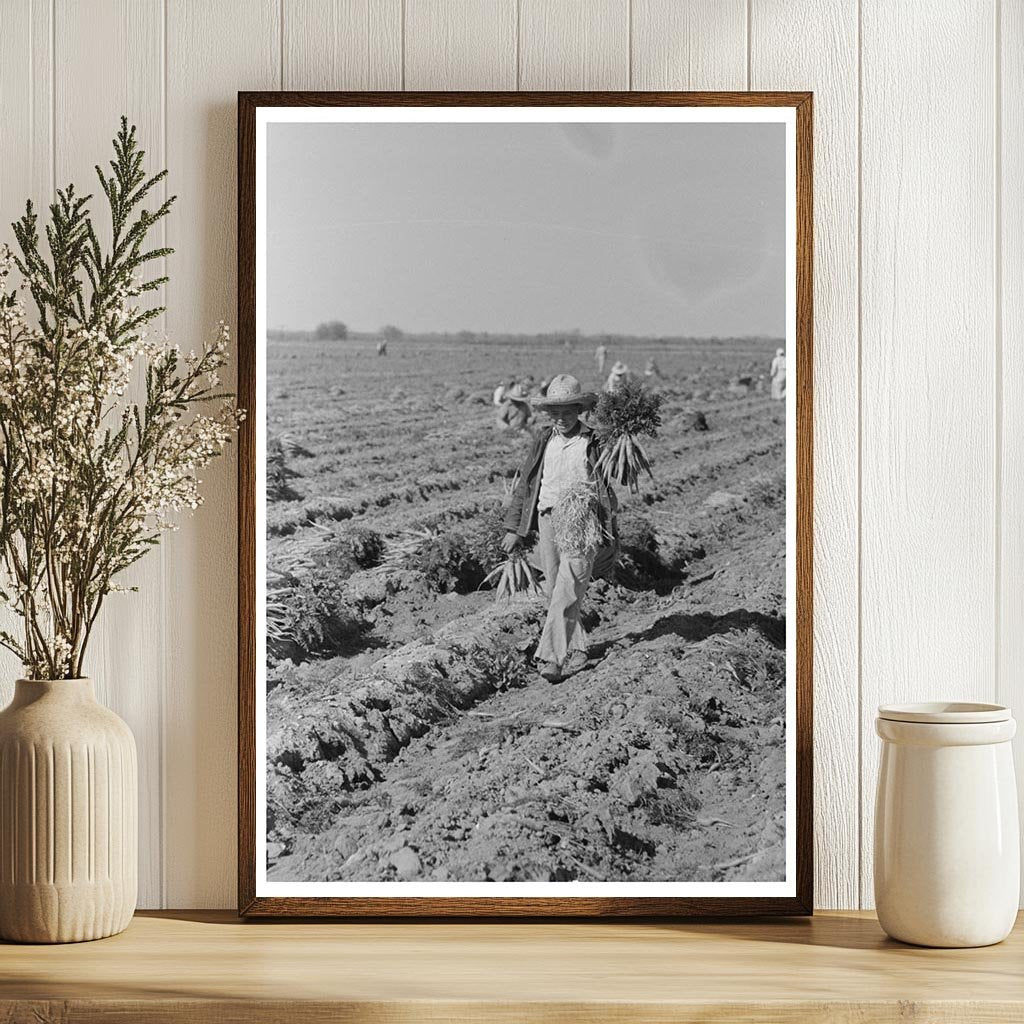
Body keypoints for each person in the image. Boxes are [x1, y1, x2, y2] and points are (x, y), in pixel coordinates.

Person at [502, 374, 618, 683]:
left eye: (568, 411)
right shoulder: (544, 439)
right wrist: (514, 528)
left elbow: (618, 470)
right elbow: (526, 484)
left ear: (579, 409)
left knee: (568, 589)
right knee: (555, 589)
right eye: (556, 412)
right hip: (548, 518)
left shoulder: (594, 440)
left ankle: (551, 657)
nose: (562, 418)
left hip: (582, 519)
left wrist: (623, 440)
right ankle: (577, 647)